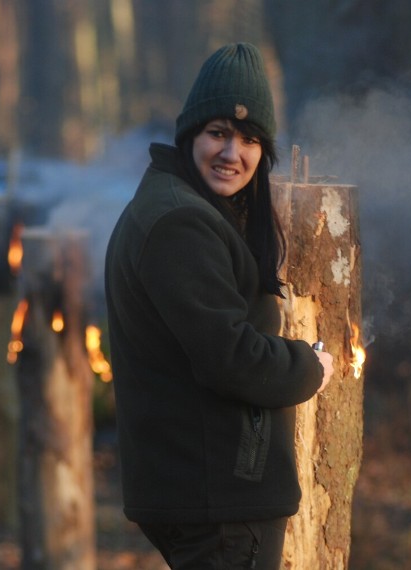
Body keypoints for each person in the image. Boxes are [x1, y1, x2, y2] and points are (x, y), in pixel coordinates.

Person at [104, 43, 335, 569]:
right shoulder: (179, 224)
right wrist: (309, 366)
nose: (233, 153)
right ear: (190, 135)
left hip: (206, 491)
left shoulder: (185, 208)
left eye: (250, 140)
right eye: (218, 134)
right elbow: (230, 355)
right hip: (218, 498)